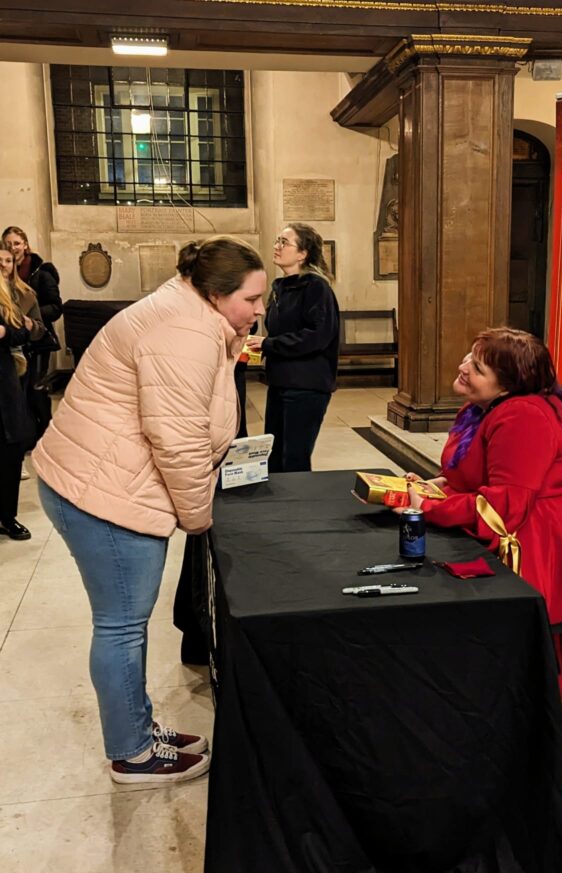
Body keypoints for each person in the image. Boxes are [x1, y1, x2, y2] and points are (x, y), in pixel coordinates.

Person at [32, 236, 267, 784]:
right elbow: (178, 439)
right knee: (121, 627)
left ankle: (136, 726)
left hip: (104, 481)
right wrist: (199, 516)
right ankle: (132, 754)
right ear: (215, 292)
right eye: (251, 300)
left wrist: (233, 340)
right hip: (105, 494)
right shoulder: (184, 331)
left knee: (124, 625)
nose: (259, 311)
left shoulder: (190, 313)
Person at [404, 326, 562, 699]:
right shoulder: (489, 407)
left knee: (433, 586)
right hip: (529, 528)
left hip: (545, 548)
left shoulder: (525, 417)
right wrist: (439, 485)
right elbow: (478, 473)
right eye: (470, 356)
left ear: (505, 386)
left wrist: (429, 507)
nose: (464, 366)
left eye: (478, 367)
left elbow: (503, 508)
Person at [247, 223, 339, 472]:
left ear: (303, 253)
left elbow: (318, 336)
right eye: (277, 240)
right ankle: (278, 509)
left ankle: (298, 509)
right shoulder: (279, 287)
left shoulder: (316, 287)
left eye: (284, 242)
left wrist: (269, 344)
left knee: (294, 458)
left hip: (306, 384)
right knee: (274, 456)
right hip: (279, 382)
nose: (277, 246)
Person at [2, 226, 62, 442]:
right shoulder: (4, 275)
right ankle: (28, 437)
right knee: (19, 394)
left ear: (25, 244)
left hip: (38, 341)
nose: (13, 248)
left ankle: (47, 435)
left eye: (17, 243)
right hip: (16, 343)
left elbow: (55, 307)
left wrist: (29, 318)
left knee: (36, 392)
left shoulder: (42, 272)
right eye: (8, 244)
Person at [0, 281, 33, 540]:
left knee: (12, 446)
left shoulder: (4, 292)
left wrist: (5, 333)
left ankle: (7, 517)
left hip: (4, 381)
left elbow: (22, 332)